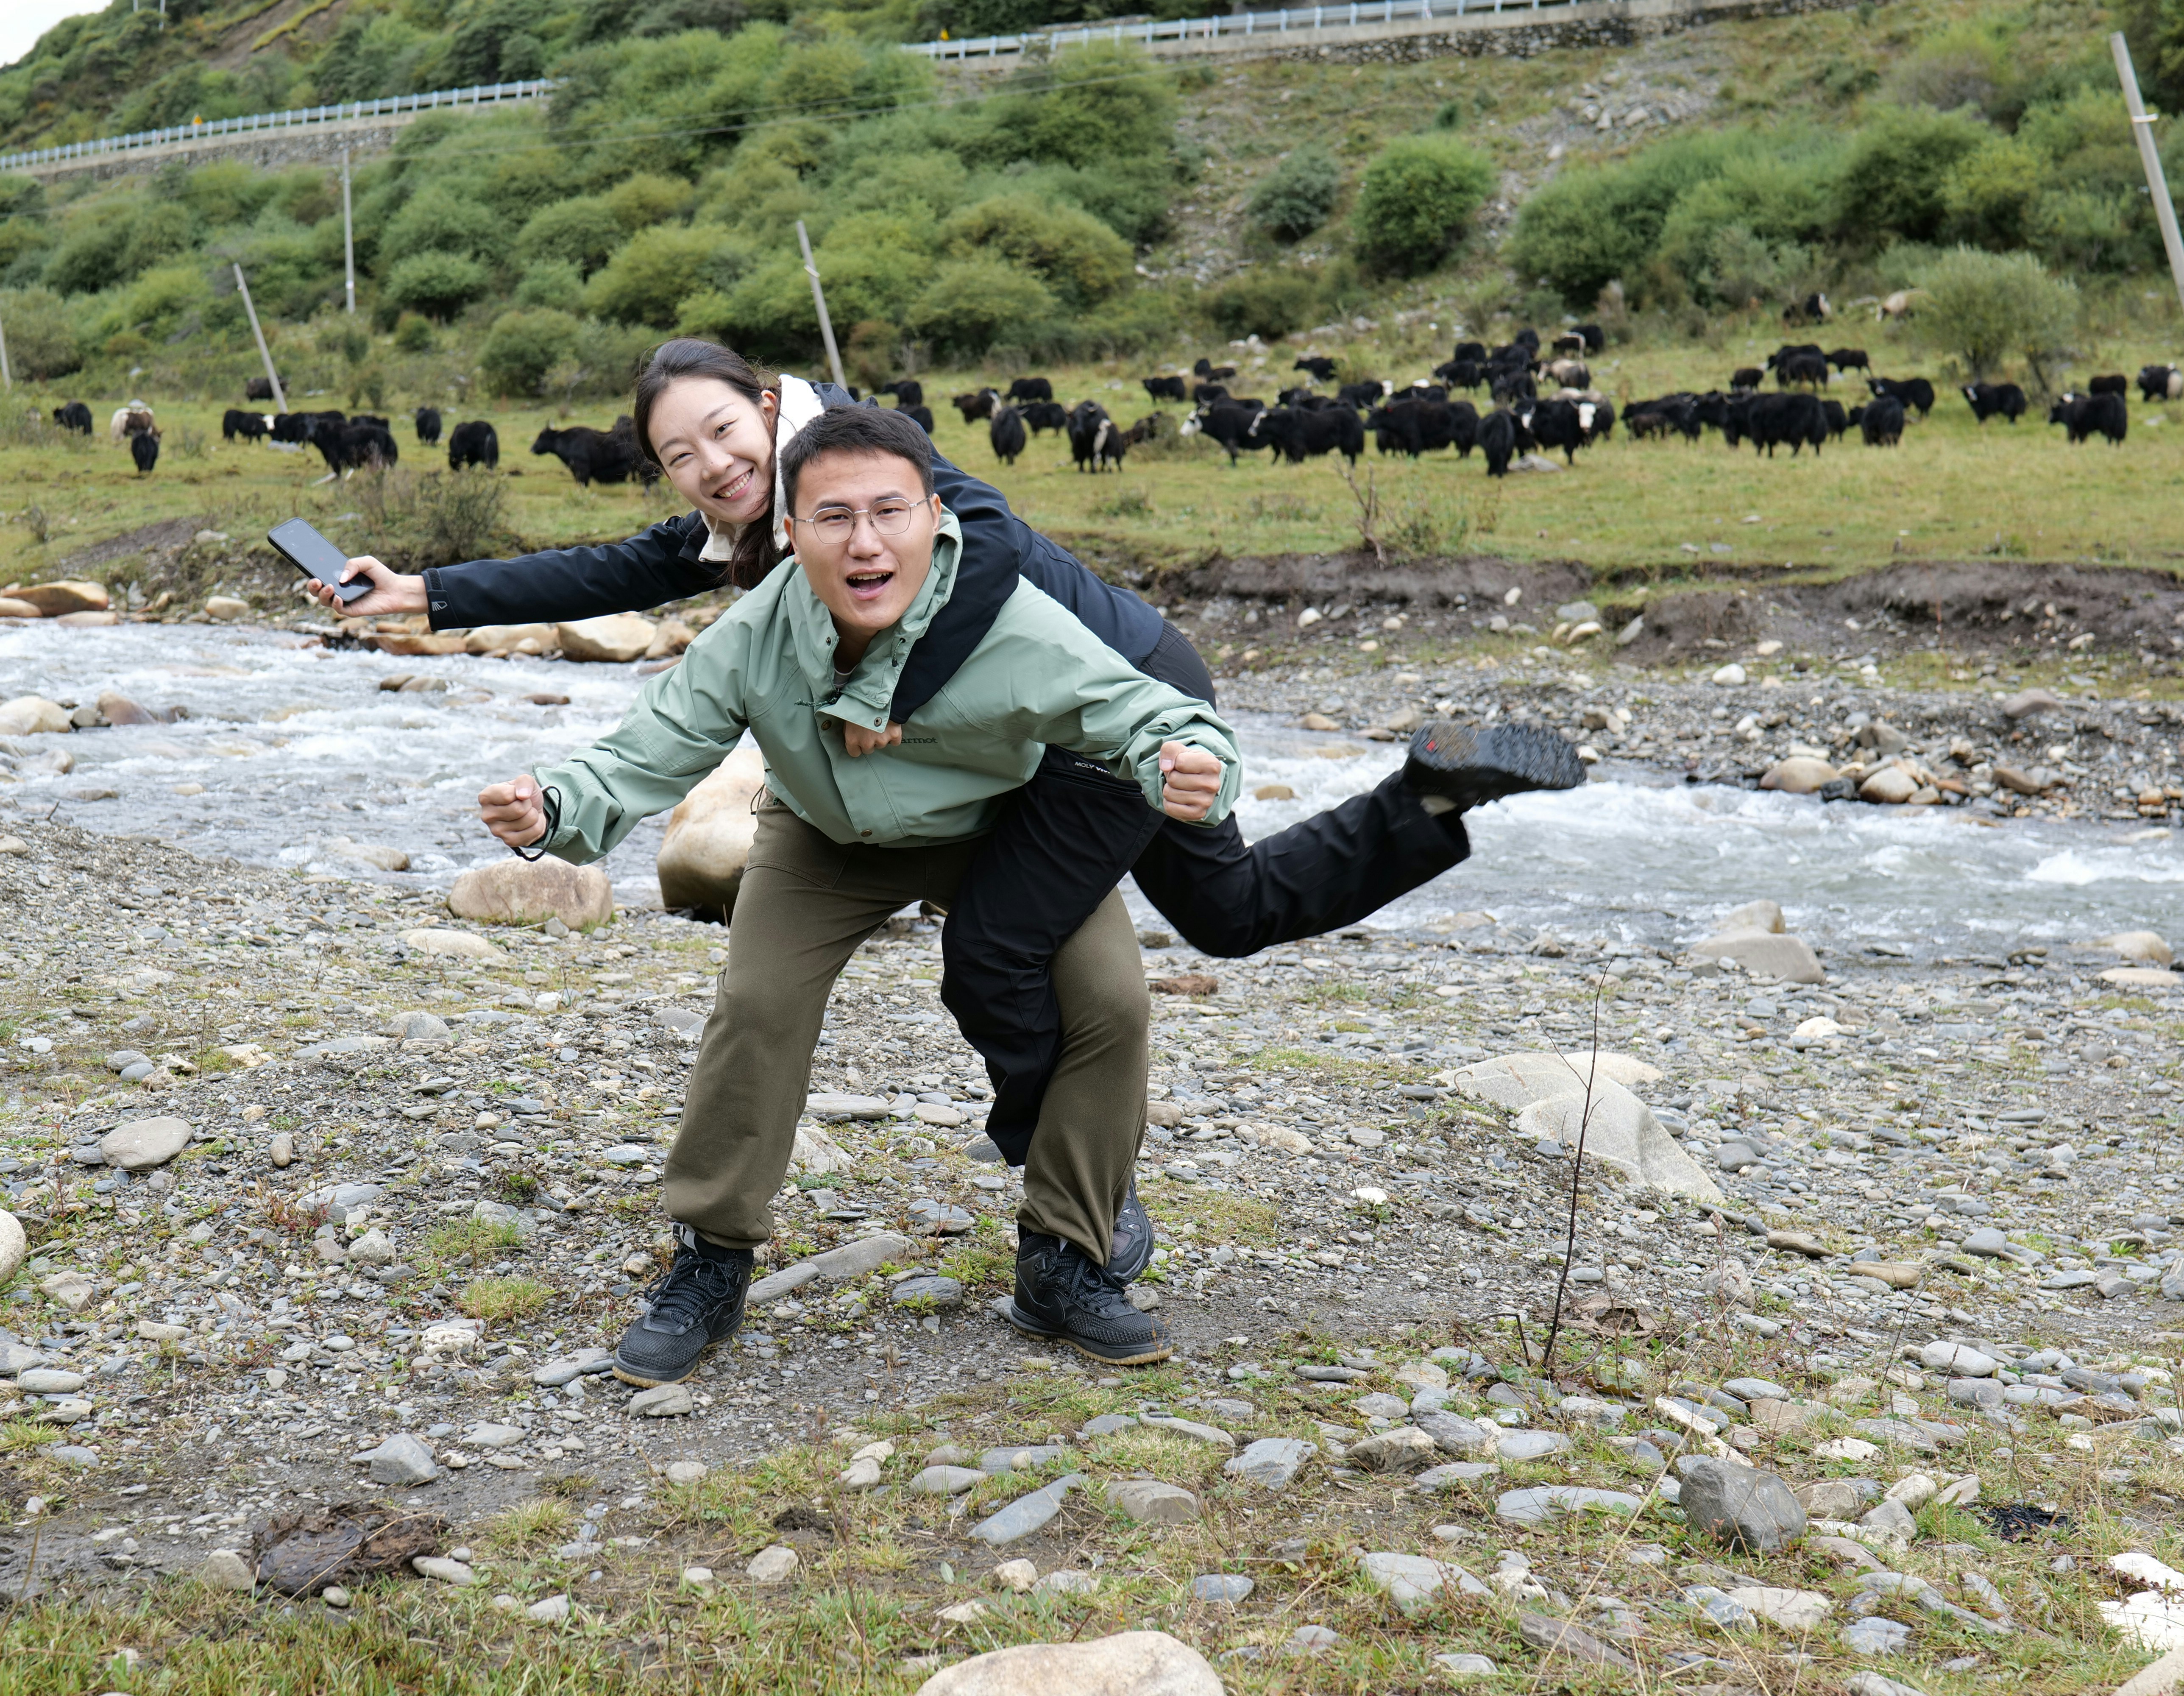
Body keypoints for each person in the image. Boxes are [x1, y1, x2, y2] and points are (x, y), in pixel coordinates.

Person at [316, 340, 1577, 1254]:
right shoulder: (756, 518)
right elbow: (609, 569)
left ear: (772, 403)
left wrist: (877, 700)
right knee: (1234, 911)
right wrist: (422, 593)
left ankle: (1059, 1170)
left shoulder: (879, 467)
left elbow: (992, 561)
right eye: (675, 453)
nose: (706, 464)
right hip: (1020, 739)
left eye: (721, 431)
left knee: (1001, 950)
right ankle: (1425, 799)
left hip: (1110, 711)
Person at [475, 405, 1241, 1382]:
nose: (866, 540)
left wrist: (1192, 760)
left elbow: (1144, 710)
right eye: (834, 517)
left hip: (997, 834)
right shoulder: (756, 630)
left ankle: (1066, 1258)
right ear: (789, 533)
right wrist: (551, 814)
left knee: (1114, 1005)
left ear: (935, 515)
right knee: (758, 1004)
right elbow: (645, 752)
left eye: (890, 511)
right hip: (825, 837)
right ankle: (711, 1260)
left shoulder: (1013, 621)